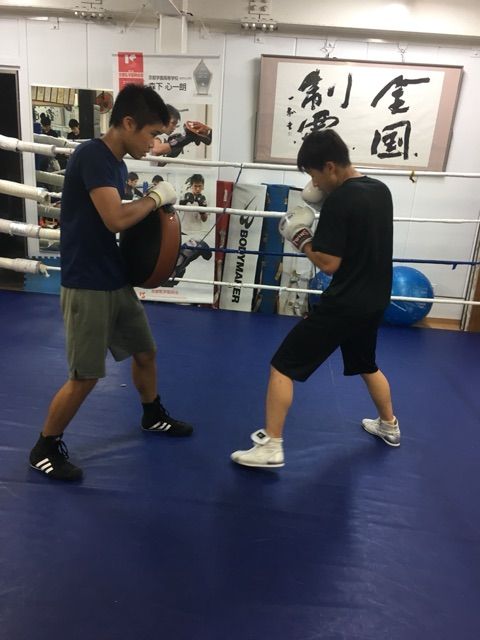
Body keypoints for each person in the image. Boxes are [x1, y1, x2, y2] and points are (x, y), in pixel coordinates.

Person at [29, 83, 194, 482]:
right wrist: (154, 198)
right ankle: (44, 447)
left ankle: (152, 415)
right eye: (151, 134)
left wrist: (184, 140)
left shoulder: (117, 162)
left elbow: (126, 202)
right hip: (87, 283)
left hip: (113, 277)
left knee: (145, 352)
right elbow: (115, 219)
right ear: (128, 123)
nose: (153, 144)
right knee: (86, 375)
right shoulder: (94, 156)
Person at [231, 129, 399, 469]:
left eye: (314, 175)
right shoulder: (381, 190)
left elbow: (329, 263)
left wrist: (302, 238)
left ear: (330, 166)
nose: (314, 184)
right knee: (366, 364)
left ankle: (271, 446)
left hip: (345, 303)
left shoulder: (341, 200)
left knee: (283, 365)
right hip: (375, 298)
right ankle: (389, 425)